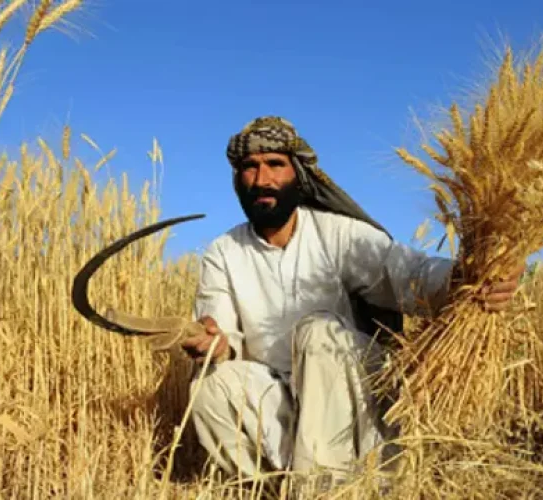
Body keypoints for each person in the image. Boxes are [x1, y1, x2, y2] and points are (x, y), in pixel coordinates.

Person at [179, 116, 523, 485]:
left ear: (298, 174)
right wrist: (213, 344)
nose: (262, 179)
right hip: (277, 392)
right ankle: (276, 487)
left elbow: (406, 273)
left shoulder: (336, 232)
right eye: (250, 167)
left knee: (317, 333)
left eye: (275, 165)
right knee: (209, 383)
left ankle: (326, 488)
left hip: (347, 381)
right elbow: (223, 334)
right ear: (238, 179)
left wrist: (465, 280)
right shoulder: (223, 252)